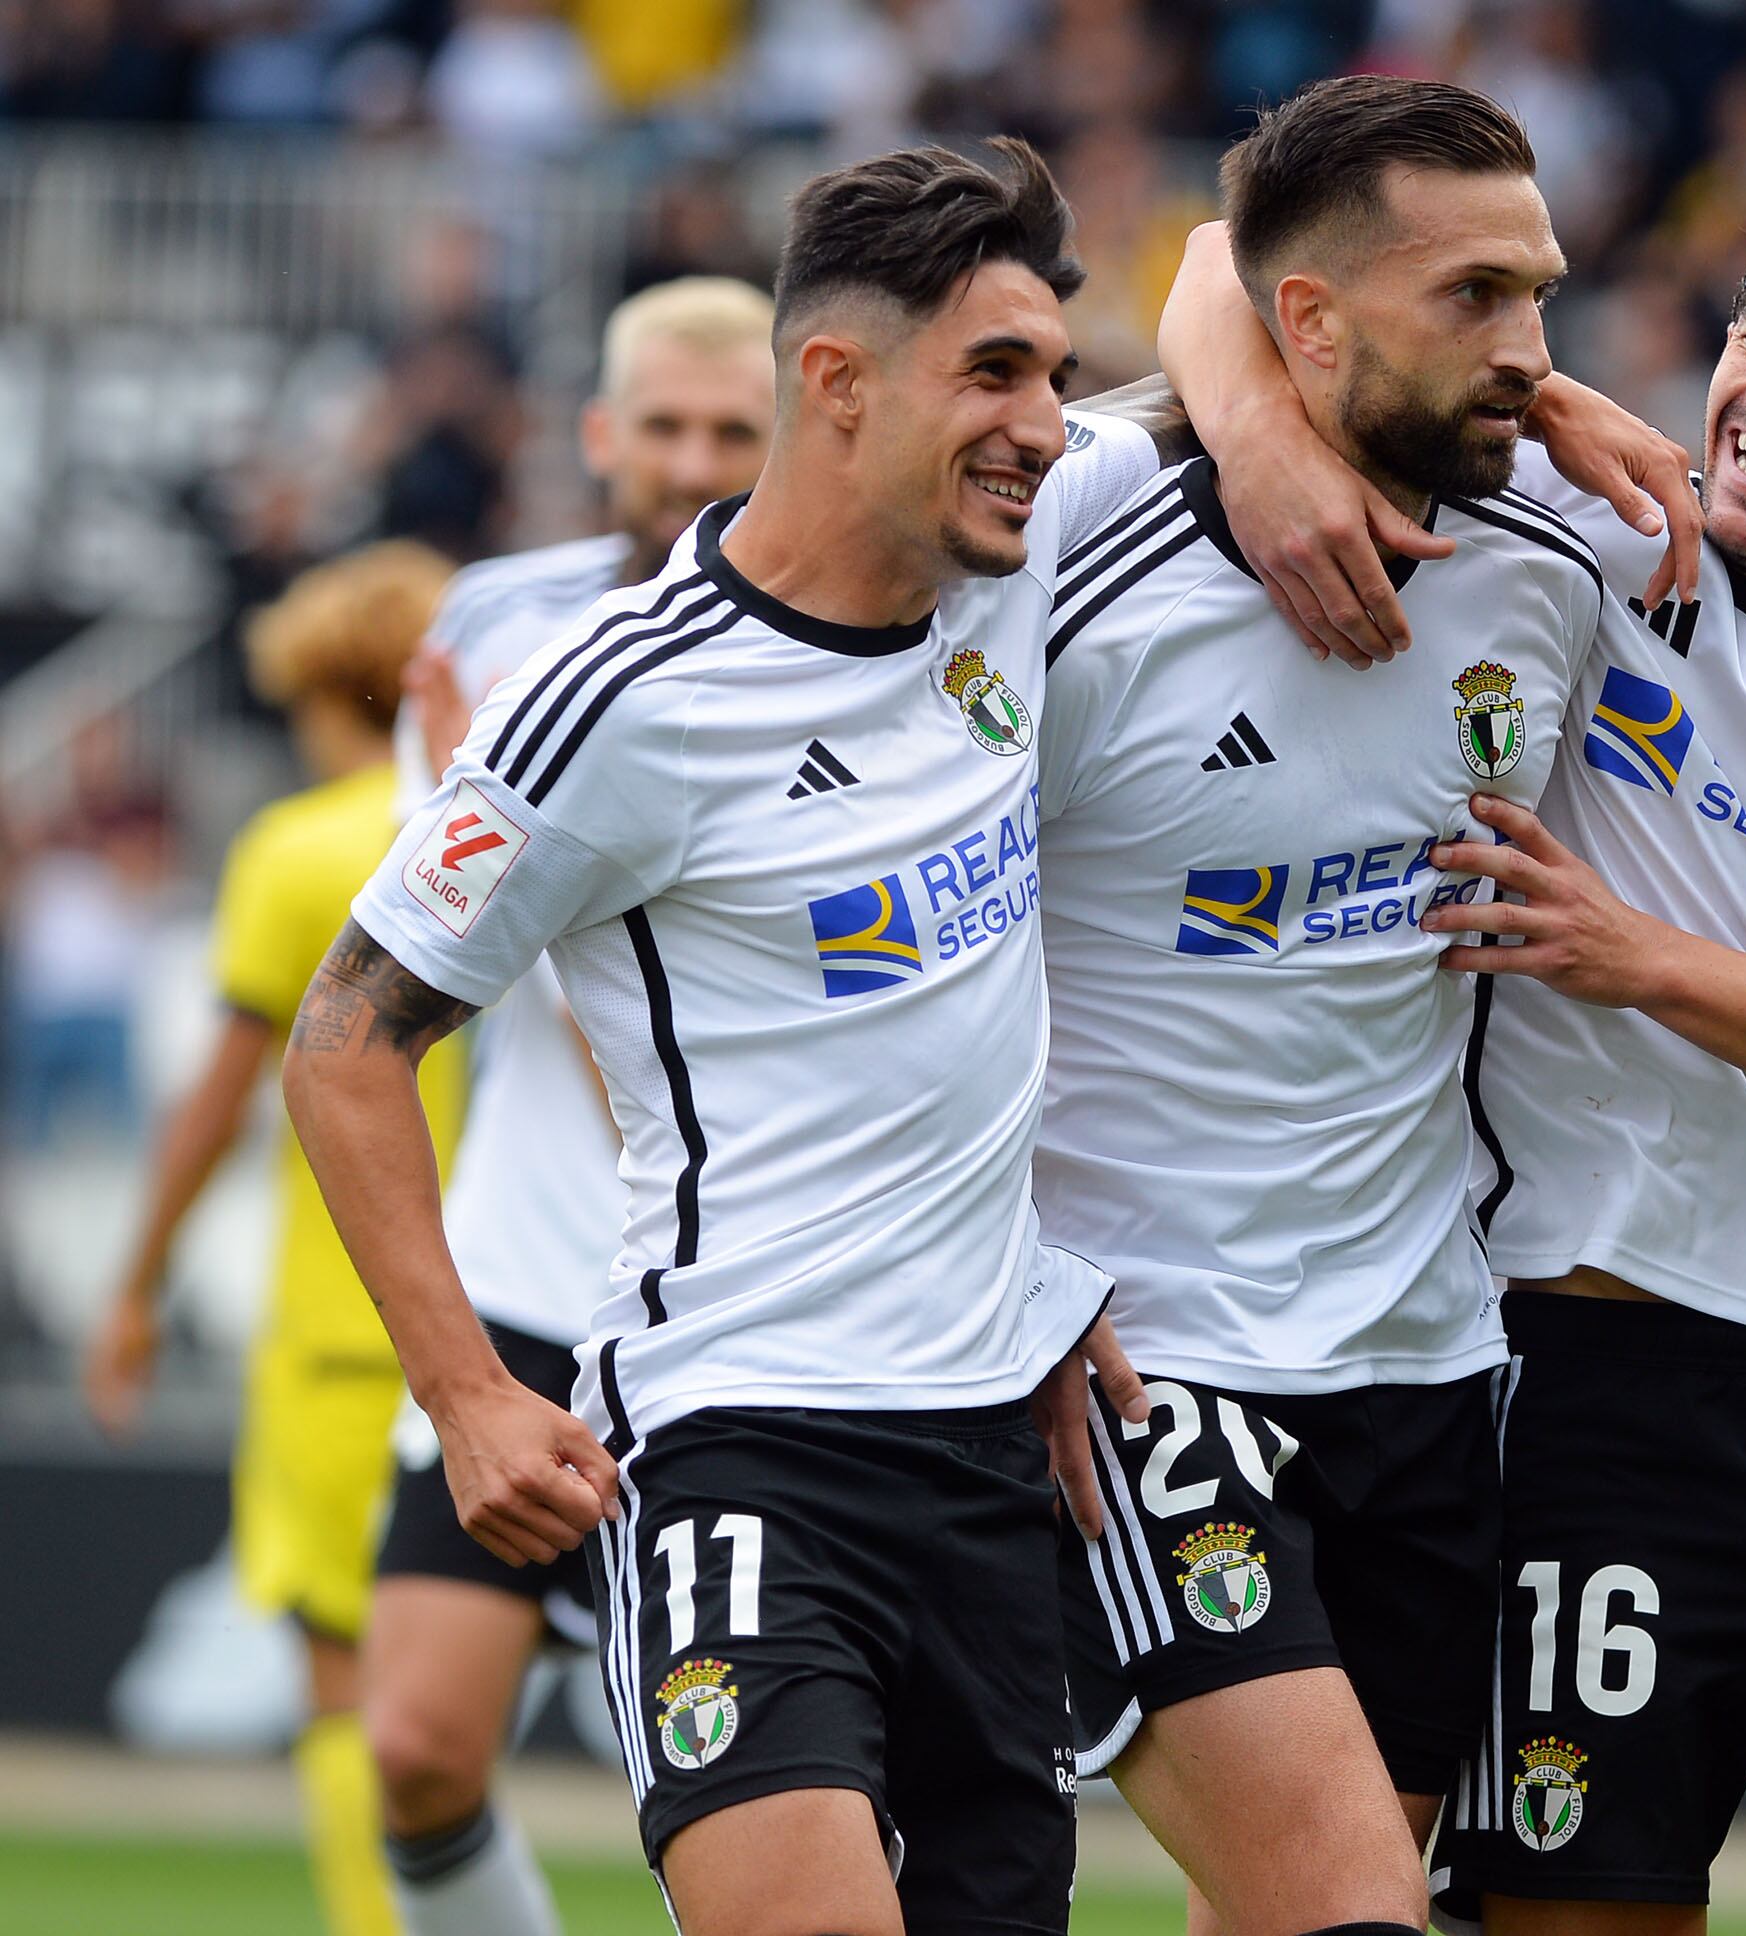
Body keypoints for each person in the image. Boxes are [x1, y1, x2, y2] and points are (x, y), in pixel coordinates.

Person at [1165, 160, 1746, 1933]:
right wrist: (1269, 442)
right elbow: (1232, 259)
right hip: (1586, 1400)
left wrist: (1642, 960)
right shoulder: (1575, 540)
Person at [280, 142, 1188, 1936]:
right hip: (746, 1448)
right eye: (994, 375)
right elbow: (344, 1039)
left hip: (997, 1457)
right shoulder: (616, 695)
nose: (1044, 425)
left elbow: (1260, 329)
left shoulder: (1009, 559)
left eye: (1054, 379)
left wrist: (1542, 396)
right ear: (835, 384)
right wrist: (467, 1394)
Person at [1036, 75, 1683, 1936]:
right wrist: (1239, 417)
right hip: (1152, 1368)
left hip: (1425, 1366)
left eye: (1541, 296)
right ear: (1298, 320)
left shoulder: (1557, 569)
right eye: (1474, 298)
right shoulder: (1072, 529)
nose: (1533, 352)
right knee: (1347, 1917)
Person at [363, 275, 776, 1936]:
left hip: (738, 1300)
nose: (690, 462)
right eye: (661, 427)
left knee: (750, 1786)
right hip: (530, 1279)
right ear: (597, 435)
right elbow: (426, 970)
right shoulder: (490, 628)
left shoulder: (860, 631)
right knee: (413, 1749)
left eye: (730, 431)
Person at [85, 541, 466, 1936]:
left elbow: (220, 1096)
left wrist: (133, 1284)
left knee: (345, 1681)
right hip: (511, 1315)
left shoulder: (298, 850)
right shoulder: (502, 825)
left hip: (336, 1330)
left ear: (317, 686)